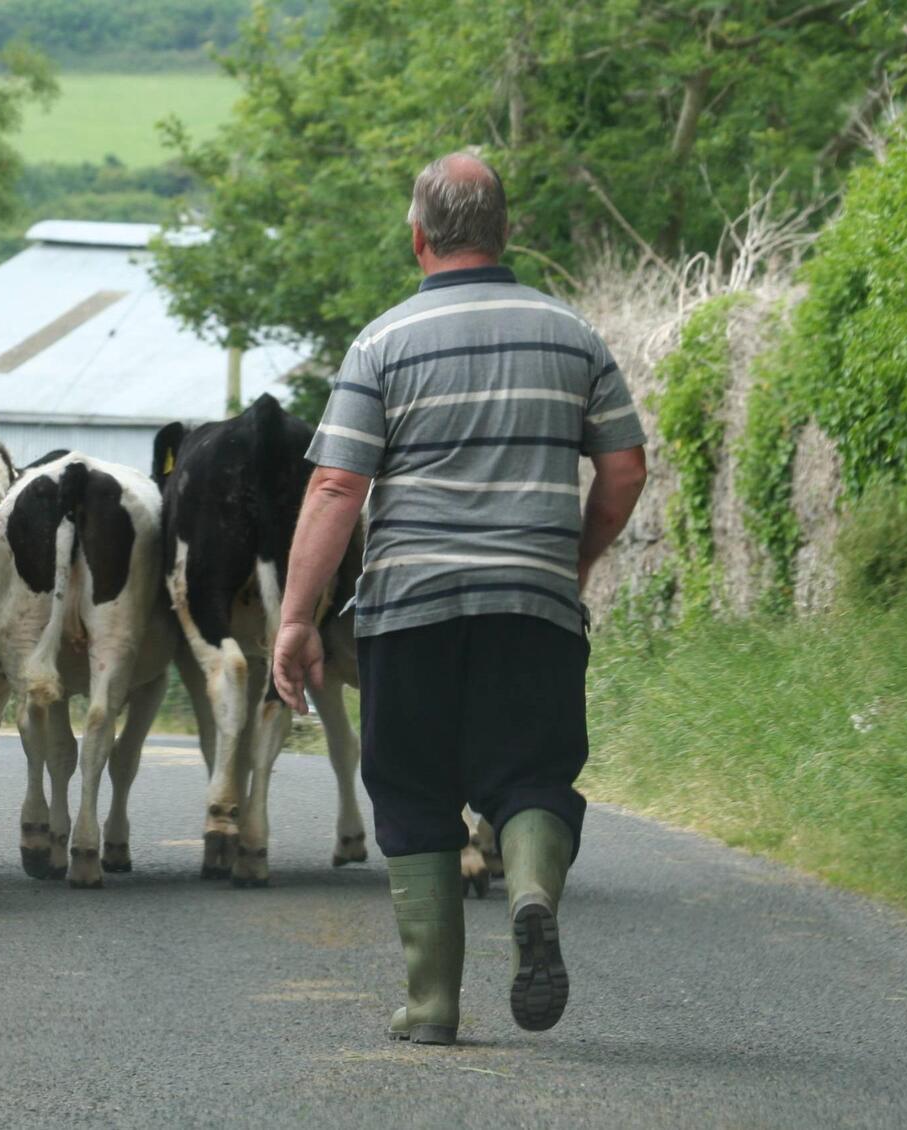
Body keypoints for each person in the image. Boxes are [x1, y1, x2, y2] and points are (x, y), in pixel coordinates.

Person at [271, 152, 648, 1045]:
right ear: (505, 231)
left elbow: (336, 487)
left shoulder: (382, 343)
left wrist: (296, 619)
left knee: (412, 789)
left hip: (411, 610)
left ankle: (433, 1005)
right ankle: (529, 892)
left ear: (418, 239)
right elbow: (625, 470)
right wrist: (572, 560)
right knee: (533, 776)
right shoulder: (573, 336)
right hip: (534, 606)